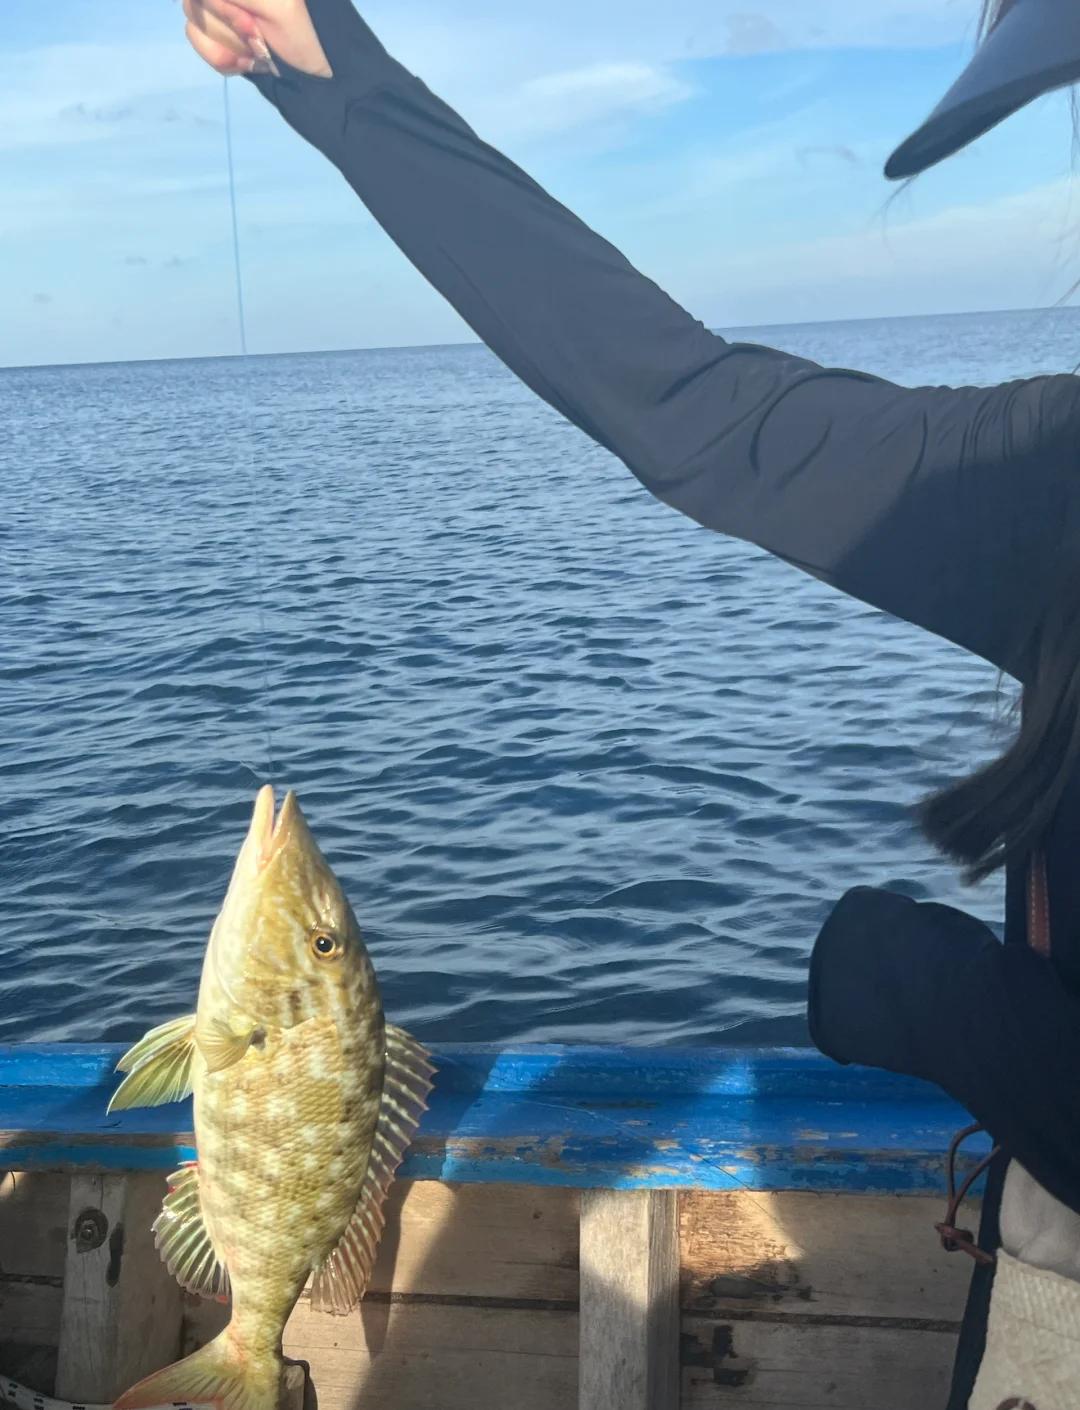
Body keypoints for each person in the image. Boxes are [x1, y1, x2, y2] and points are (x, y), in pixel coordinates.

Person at [183, 0, 1080, 1403]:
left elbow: (697, 416)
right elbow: (697, 412)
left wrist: (924, 991)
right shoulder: (1045, 482)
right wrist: (333, 73)